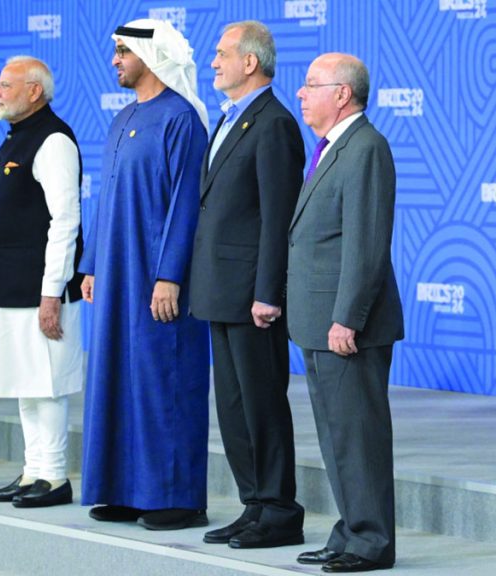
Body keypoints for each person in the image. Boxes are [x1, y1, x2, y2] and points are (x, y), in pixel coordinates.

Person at [78, 19, 210, 530]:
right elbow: (106, 197)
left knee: (162, 380)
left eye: (122, 51)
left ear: (150, 56)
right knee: (117, 377)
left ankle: (176, 496)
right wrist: (91, 264)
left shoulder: (181, 119)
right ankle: (125, 490)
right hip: (116, 276)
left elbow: (186, 205)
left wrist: (169, 274)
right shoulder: (123, 118)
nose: (115, 60)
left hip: (156, 278)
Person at [189, 21, 305, 549]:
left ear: (250, 62)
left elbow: (278, 219)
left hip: (252, 296)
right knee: (234, 408)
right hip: (220, 289)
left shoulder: (274, 123)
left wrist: (268, 292)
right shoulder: (230, 118)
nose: (213, 62)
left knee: (262, 405)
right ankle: (254, 505)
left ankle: (279, 511)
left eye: (221, 53)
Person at [289, 53, 402, 573]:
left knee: (358, 438)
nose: (301, 93)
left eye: (311, 84)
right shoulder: (332, 147)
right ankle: (351, 531)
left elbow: (366, 244)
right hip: (319, 322)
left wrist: (348, 318)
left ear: (342, 93)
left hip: (347, 326)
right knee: (338, 438)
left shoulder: (366, 147)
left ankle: (371, 541)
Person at [0, 56, 84, 508]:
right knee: (26, 383)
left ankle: (54, 477)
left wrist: (51, 292)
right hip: (9, 288)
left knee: (46, 384)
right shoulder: (18, 136)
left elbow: (65, 221)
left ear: (34, 91)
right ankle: (33, 470)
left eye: (6, 85)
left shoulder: (53, 140)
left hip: (38, 290)